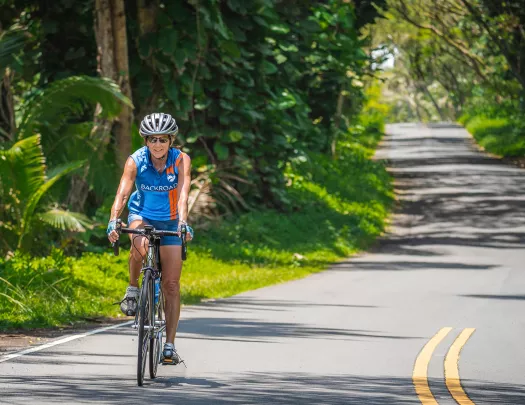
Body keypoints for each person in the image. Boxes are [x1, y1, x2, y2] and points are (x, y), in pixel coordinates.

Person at [106, 112, 193, 365]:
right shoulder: (136, 160)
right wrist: (113, 219)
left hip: (171, 220)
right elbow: (122, 193)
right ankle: (133, 288)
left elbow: (184, 193)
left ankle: (169, 345)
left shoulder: (180, 160)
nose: (158, 145)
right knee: (139, 243)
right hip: (142, 215)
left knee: (172, 285)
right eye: (153, 139)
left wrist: (183, 223)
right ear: (146, 141)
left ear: (171, 141)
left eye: (163, 140)